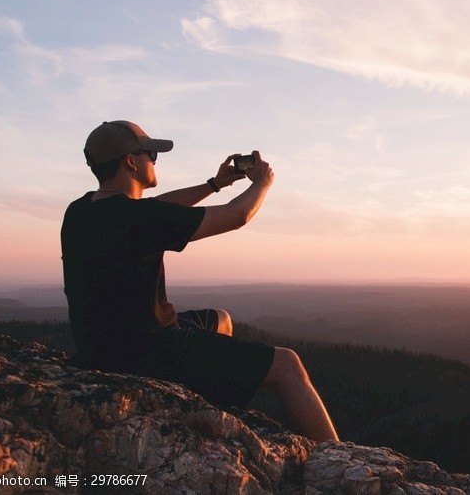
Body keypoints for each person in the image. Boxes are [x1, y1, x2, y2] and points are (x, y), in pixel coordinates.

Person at [60, 120, 338, 442]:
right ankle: (339, 461)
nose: (154, 159)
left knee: (220, 320)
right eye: (151, 153)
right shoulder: (137, 219)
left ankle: (210, 396)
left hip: (101, 347)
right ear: (131, 162)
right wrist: (262, 183)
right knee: (287, 365)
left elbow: (159, 207)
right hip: (145, 354)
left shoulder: (81, 211)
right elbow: (236, 216)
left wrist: (214, 183)